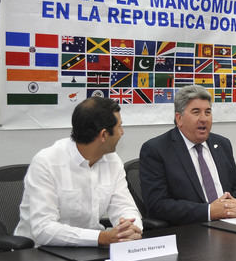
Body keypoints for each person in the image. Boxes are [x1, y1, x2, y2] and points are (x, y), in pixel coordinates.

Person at [14, 97, 142, 246]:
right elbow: (43, 229)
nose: (122, 132)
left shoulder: (112, 161)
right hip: (39, 253)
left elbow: (124, 207)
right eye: (119, 127)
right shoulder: (47, 162)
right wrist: (101, 238)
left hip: (90, 251)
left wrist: (131, 229)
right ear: (104, 135)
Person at [140, 85, 236, 225]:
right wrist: (209, 211)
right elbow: (157, 205)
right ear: (179, 119)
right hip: (189, 230)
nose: (204, 119)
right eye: (196, 112)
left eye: (208, 112)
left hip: (232, 224)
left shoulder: (222, 144)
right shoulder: (156, 150)